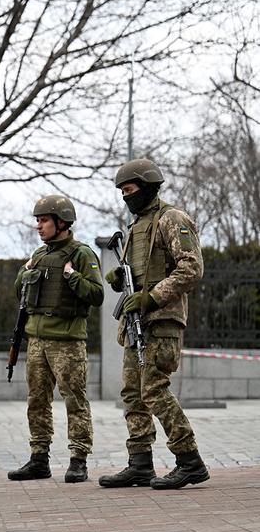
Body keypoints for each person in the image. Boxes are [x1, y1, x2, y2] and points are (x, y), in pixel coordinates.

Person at [99, 158, 209, 490]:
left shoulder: (172, 219)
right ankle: (140, 464)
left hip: (161, 322)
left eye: (129, 190)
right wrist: (121, 279)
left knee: (154, 391)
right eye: (121, 192)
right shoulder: (136, 227)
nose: (125, 197)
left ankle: (190, 460)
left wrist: (151, 297)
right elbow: (140, 274)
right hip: (137, 324)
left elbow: (191, 268)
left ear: (147, 187)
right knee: (132, 394)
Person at [8, 195, 103, 483]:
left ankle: (78, 460)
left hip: (67, 341)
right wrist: (23, 273)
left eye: (44, 220)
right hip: (37, 339)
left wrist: (73, 277)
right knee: (37, 400)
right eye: (37, 220)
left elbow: (97, 295)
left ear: (61, 222)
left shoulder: (81, 254)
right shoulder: (38, 255)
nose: (39, 226)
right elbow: (19, 294)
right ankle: (39, 458)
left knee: (75, 399)